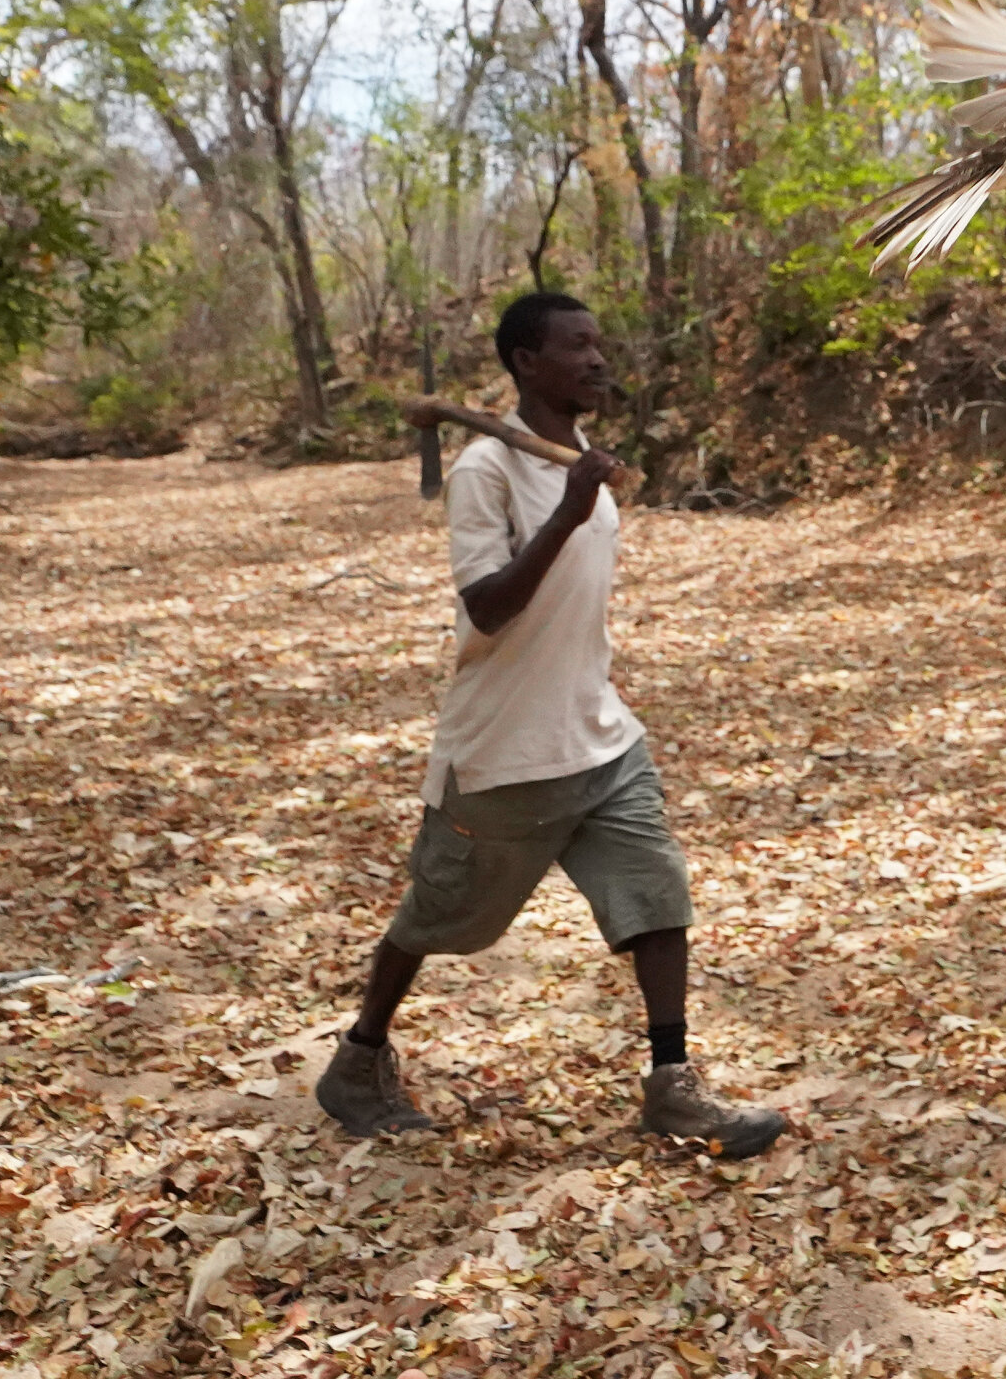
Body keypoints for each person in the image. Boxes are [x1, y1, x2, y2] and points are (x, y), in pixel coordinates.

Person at [314, 292, 786, 1158]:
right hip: (504, 753)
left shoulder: (582, 465)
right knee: (435, 916)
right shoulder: (485, 471)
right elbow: (487, 607)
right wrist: (566, 510)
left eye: (600, 343)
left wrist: (578, 498)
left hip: (599, 736)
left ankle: (673, 1085)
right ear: (527, 363)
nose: (599, 359)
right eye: (577, 346)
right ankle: (358, 1059)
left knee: (657, 895)